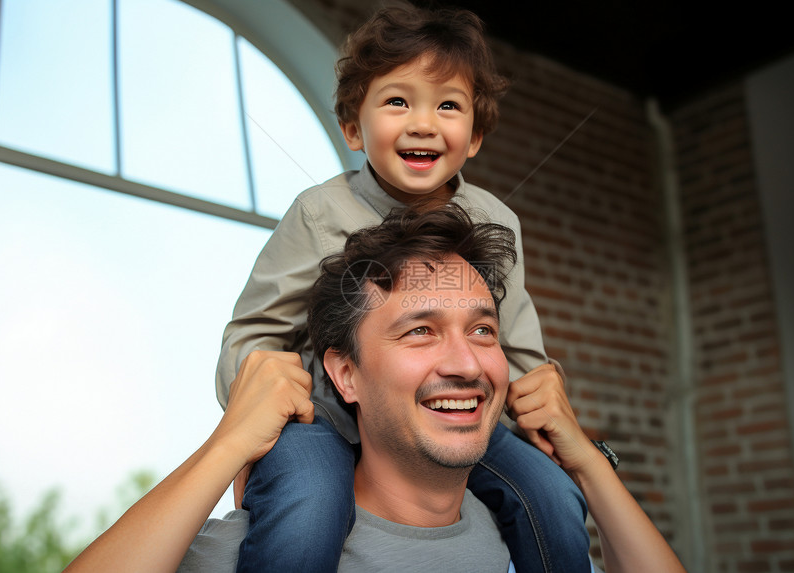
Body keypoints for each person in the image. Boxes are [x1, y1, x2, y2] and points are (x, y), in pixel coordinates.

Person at [63, 204, 687, 572]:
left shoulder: (523, 537)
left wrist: (585, 462)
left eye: (482, 330)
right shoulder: (265, 545)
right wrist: (229, 445)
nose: (466, 363)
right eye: (420, 331)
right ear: (345, 374)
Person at [217, 3, 590, 571]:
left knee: (554, 497)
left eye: (448, 105)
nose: (423, 123)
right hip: (326, 421)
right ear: (352, 128)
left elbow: (517, 353)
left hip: (445, 413)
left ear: (475, 137)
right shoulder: (319, 214)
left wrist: (544, 414)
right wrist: (260, 422)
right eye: (397, 101)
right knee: (308, 504)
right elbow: (254, 335)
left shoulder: (497, 221)